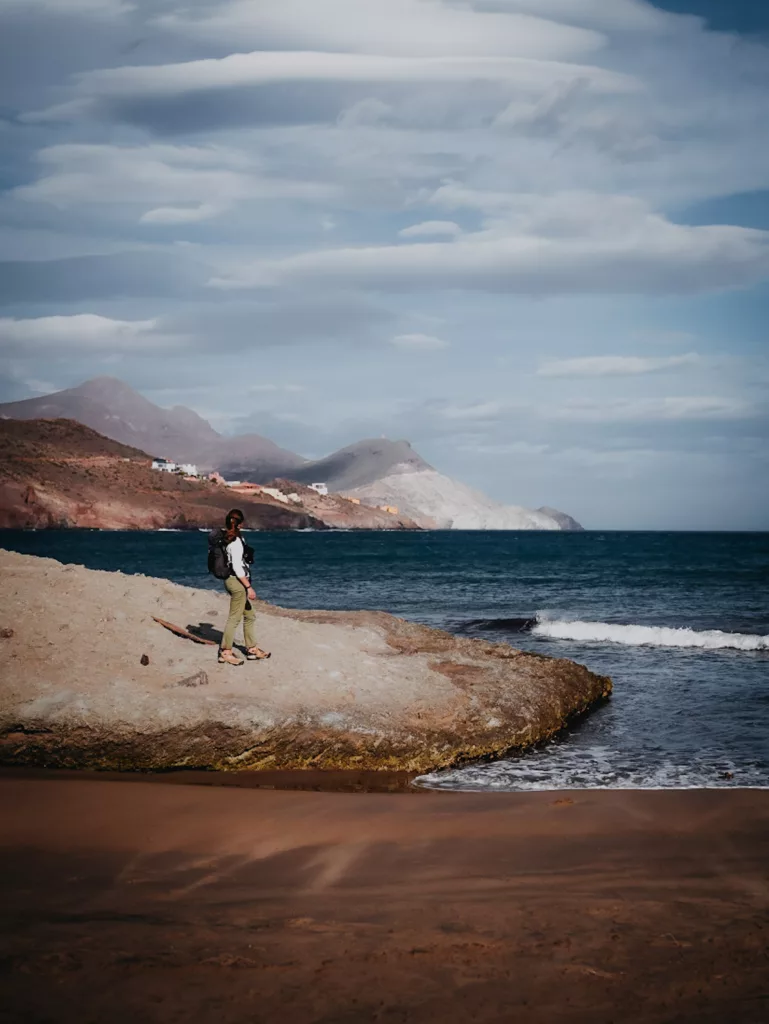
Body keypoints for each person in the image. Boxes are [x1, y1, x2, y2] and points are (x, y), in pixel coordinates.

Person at [218, 508, 271, 666]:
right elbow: (237, 567)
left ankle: (252, 649)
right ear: (240, 524)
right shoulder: (234, 541)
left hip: (234, 580)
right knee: (234, 618)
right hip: (237, 582)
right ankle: (225, 652)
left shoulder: (228, 538)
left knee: (249, 615)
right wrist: (249, 587)